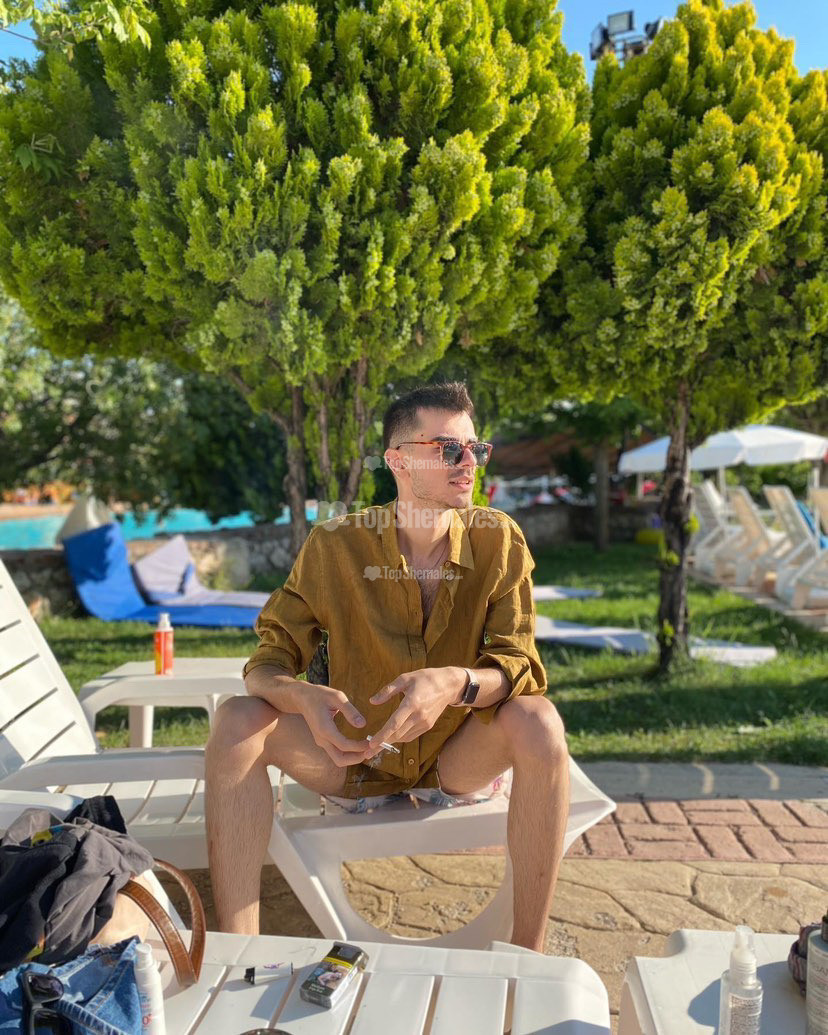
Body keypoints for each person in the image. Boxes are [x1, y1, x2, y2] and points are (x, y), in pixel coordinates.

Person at [205, 381, 570, 952]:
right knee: (235, 720)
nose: (469, 462)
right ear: (398, 461)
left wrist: (455, 683)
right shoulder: (335, 546)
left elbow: (519, 664)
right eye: (448, 449)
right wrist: (301, 698)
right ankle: (235, 955)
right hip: (353, 755)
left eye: (476, 448)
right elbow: (266, 664)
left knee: (540, 721)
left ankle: (528, 956)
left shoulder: (499, 539)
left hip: (455, 758)